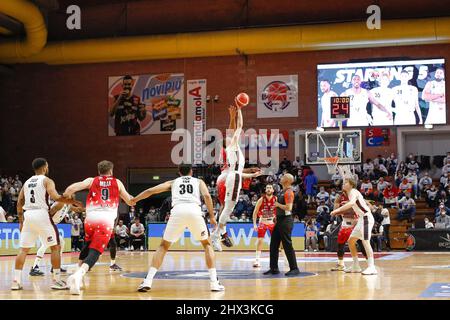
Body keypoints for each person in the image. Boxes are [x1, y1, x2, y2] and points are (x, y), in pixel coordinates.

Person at [134, 164, 225, 292]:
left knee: (163, 246)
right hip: (194, 211)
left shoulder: (173, 182)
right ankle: (214, 283)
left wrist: (134, 199)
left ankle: (147, 281)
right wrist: (212, 216)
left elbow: (151, 191)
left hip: (177, 211)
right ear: (191, 172)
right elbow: (207, 196)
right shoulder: (199, 181)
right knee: (207, 245)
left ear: (179, 172)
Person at [64, 160, 135, 295]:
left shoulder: (92, 180)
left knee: (88, 244)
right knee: (96, 251)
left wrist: (67, 198)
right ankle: (78, 275)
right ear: (111, 171)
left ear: (99, 171)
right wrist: (136, 199)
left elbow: (72, 189)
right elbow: (129, 201)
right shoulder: (117, 182)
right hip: (105, 219)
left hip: (90, 219)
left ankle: (77, 274)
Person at [12, 158, 81, 290]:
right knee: (55, 247)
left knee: (23, 250)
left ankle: (16, 281)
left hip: (28, 215)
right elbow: (55, 197)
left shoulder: (26, 182)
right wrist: (71, 201)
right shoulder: (47, 180)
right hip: (41, 214)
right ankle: (56, 280)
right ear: (45, 167)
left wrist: (21, 221)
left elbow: (19, 202)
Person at [212, 103, 261, 250]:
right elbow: (237, 127)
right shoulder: (231, 145)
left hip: (226, 178)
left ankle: (221, 233)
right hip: (230, 177)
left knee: (225, 207)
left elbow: (233, 129)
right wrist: (238, 111)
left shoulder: (229, 149)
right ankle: (216, 235)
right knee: (228, 208)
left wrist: (249, 173)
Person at [331, 178, 377, 275]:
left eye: (346, 183)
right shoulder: (348, 194)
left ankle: (372, 267)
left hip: (366, 218)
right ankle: (356, 265)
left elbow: (351, 203)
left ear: (352, 185)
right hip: (361, 219)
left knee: (365, 242)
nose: (343, 184)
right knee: (351, 241)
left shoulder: (354, 191)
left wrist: (337, 211)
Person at [263, 173, 300, 276]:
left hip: (286, 220)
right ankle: (274, 268)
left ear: (287, 181)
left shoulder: (289, 192)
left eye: (283, 177)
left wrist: (277, 205)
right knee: (273, 244)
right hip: (279, 220)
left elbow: (289, 208)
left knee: (287, 244)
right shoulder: (281, 191)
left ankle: (294, 268)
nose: (281, 177)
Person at [30, 201, 74, 276]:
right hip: (45, 225)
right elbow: (49, 213)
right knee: (45, 245)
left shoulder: (67, 205)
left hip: (50, 226)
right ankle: (34, 267)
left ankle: (56, 265)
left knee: (61, 242)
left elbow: (76, 209)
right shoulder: (60, 203)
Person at [330, 190, 368, 271]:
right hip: (345, 223)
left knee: (361, 244)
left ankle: (370, 264)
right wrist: (337, 203)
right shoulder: (340, 197)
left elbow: (353, 210)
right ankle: (341, 264)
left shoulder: (355, 196)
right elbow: (336, 211)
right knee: (340, 244)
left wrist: (345, 207)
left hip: (356, 222)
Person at [252, 184, 277, 267]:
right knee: (260, 241)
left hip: (272, 223)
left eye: (270, 188)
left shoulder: (276, 199)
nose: (268, 189)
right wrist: (255, 224)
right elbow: (255, 212)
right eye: (267, 188)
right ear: (265, 190)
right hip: (263, 222)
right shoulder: (261, 199)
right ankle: (257, 260)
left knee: (277, 242)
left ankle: (285, 260)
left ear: (273, 190)